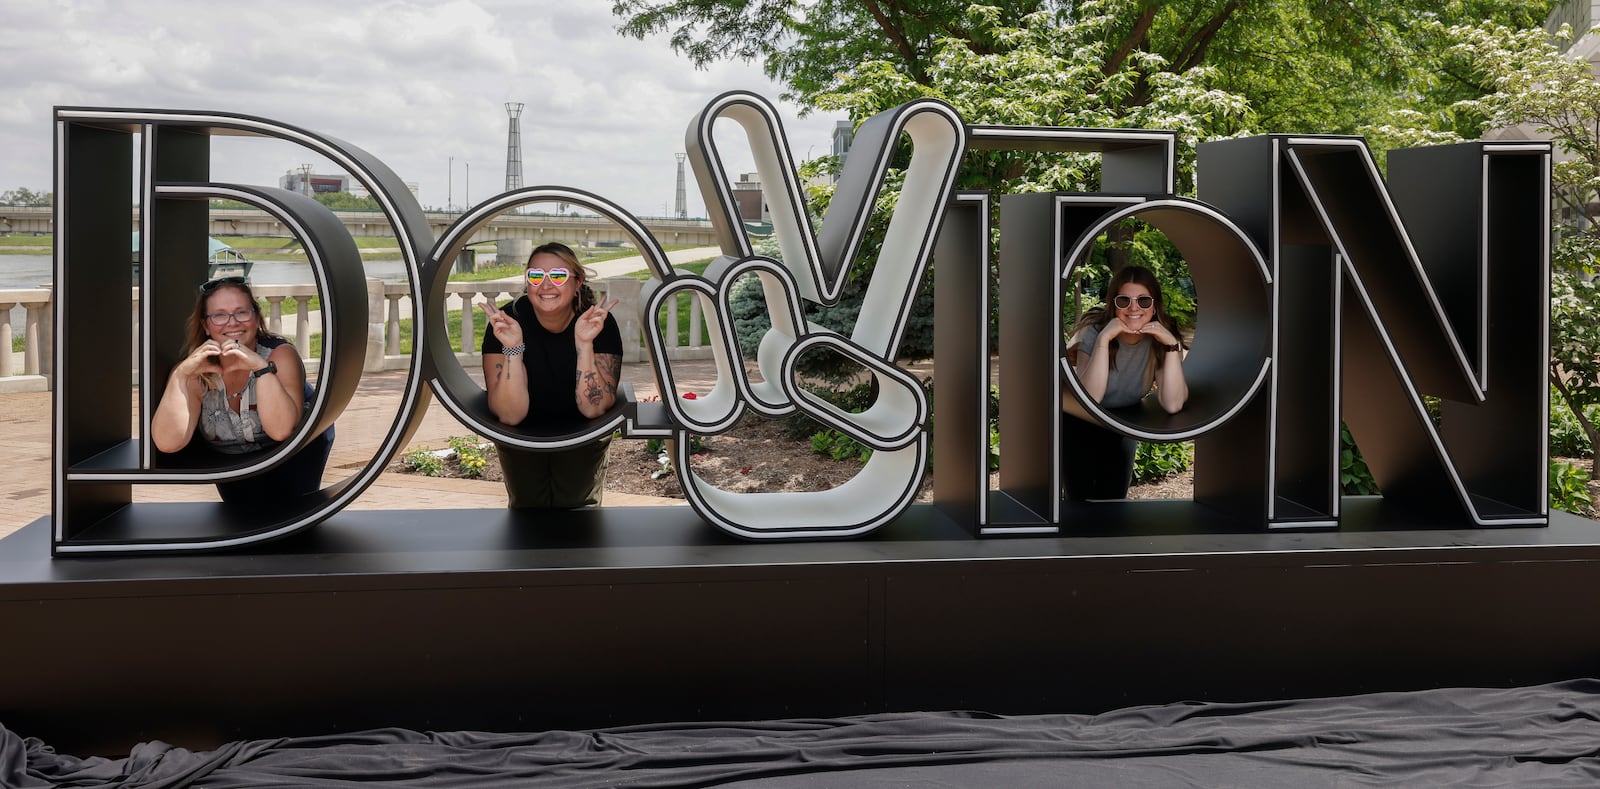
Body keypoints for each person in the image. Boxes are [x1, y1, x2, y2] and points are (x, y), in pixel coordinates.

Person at [151, 275, 331, 505]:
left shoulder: (280, 356)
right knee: (244, 519)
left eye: (242, 312)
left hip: (293, 453)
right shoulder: (194, 372)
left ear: (256, 318)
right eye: (219, 315)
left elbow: (281, 431)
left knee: (290, 515)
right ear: (206, 325)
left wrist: (259, 367)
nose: (232, 322)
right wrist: (180, 375)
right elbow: (168, 442)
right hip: (233, 459)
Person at [480, 241, 623, 508]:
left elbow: (595, 409)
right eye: (536, 276)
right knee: (527, 508)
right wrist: (513, 349)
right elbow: (510, 415)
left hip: (583, 431)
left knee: (578, 508)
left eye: (558, 276)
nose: (546, 285)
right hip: (521, 435)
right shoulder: (506, 322)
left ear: (577, 282)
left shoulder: (597, 322)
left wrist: (584, 345)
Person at [1062, 265, 1188, 500]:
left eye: (1143, 300)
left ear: (1155, 304)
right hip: (1078, 422)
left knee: (1113, 501)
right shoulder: (1094, 330)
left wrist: (1171, 345)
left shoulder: (1161, 339)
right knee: (1078, 502)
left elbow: (1173, 404)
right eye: (1124, 300)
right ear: (1113, 304)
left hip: (1122, 422)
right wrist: (1103, 340)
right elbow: (1090, 398)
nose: (1133, 308)